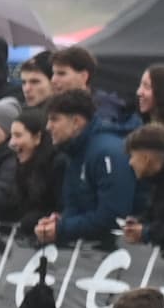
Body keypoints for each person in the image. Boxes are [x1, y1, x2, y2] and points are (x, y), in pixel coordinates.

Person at [34, 89, 133, 246]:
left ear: (76, 122)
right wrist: (60, 221)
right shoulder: (74, 152)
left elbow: (112, 216)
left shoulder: (106, 153)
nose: (48, 127)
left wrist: (63, 228)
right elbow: (77, 204)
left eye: (54, 120)